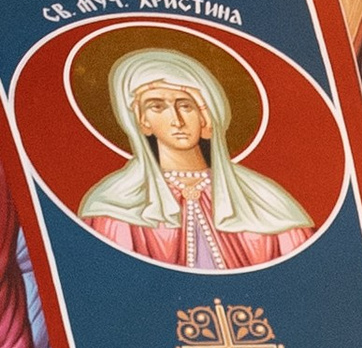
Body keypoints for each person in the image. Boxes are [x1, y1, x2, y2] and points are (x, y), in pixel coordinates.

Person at [75, 43, 314, 269]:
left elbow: (307, 278)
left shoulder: (263, 199)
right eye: (157, 106)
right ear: (142, 121)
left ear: (207, 115)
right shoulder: (115, 203)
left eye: (186, 105)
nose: (176, 120)